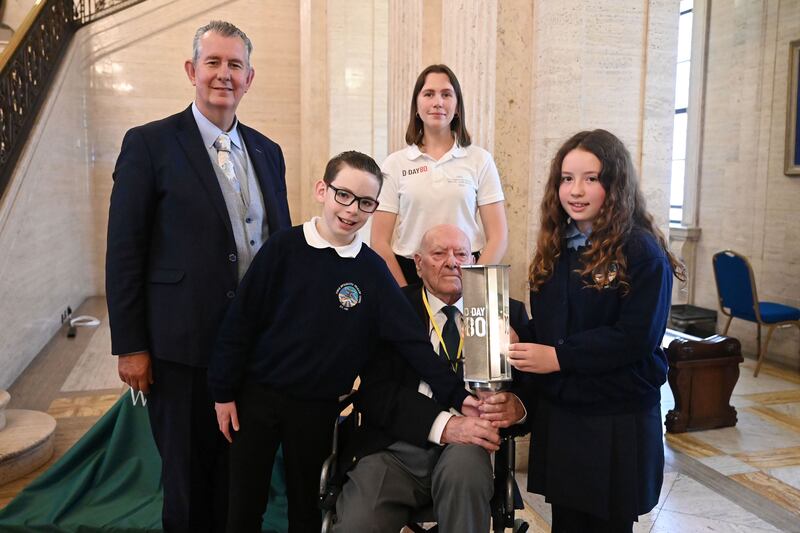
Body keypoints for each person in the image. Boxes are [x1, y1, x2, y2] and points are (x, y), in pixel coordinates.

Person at [208, 152, 476, 533]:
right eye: (344, 196)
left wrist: (459, 395)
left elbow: (413, 344)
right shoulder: (283, 248)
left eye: (366, 203)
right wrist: (223, 391)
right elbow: (240, 323)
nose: (352, 210)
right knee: (244, 504)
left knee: (306, 507)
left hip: (317, 409)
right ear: (323, 190)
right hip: (258, 399)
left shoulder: (371, 271)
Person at [105, 21, 291, 533]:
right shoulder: (148, 145)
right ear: (192, 70)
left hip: (255, 354)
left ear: (250, 78)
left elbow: (280, 250)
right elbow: (125, 252)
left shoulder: (269, 152)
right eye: (213, 63)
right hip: (181, 351)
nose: (223, 75)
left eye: (235, 65)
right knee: (189, 488)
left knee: (243, 483)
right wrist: (131, 344)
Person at [507, 129, 685, 532]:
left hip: (614, 416)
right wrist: (527, 340)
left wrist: (558, 357)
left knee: (607, 524)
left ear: (615, 183)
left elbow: (636, 337)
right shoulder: (557, 248)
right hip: (566, 413)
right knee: (568, 523)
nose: (576, 190)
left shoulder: (641, 251)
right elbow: (560, 327)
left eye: (591, 178)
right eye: (567, 178)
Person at [333, 224, 528, 533]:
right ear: (418, 264)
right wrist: (445, 426)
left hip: (470, 450)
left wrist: (517, 405)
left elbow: (535, 391)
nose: (452, 262)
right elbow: (375, 393)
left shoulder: (505, 310)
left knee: (464, 470)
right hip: (393, 446)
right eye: (439, 253)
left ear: (473, 261)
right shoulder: (393, 308)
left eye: (461, 253)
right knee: (356, 523)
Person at [371, 64, 508, 286]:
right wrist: (404, 293)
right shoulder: (395, 163)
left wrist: (474, 288)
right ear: (417, 105)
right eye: (429, 94)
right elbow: (379, 242)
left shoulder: (479, 160)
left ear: (457, 107)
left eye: (446, 94)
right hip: (409, 274)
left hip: (464, 272)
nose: (438, 102)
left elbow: (499, 237)